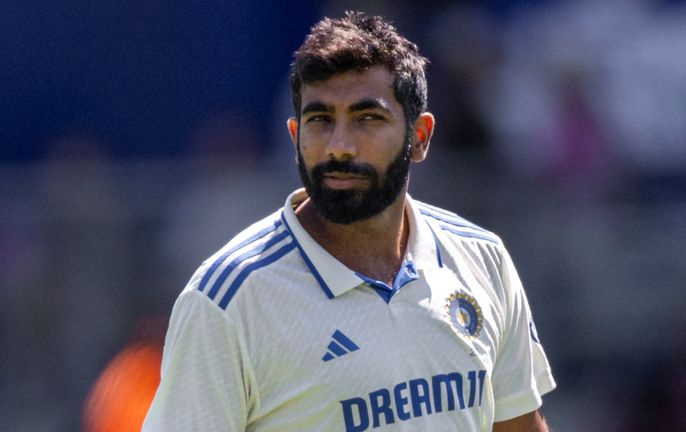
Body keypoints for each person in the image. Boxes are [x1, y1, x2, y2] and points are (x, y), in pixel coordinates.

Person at [143, 11, 556, 432]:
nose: (339, 146)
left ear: (420, 137)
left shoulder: (483, 259)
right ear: (294, 137)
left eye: (367, 118)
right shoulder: (225, 301)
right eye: (319, 120)